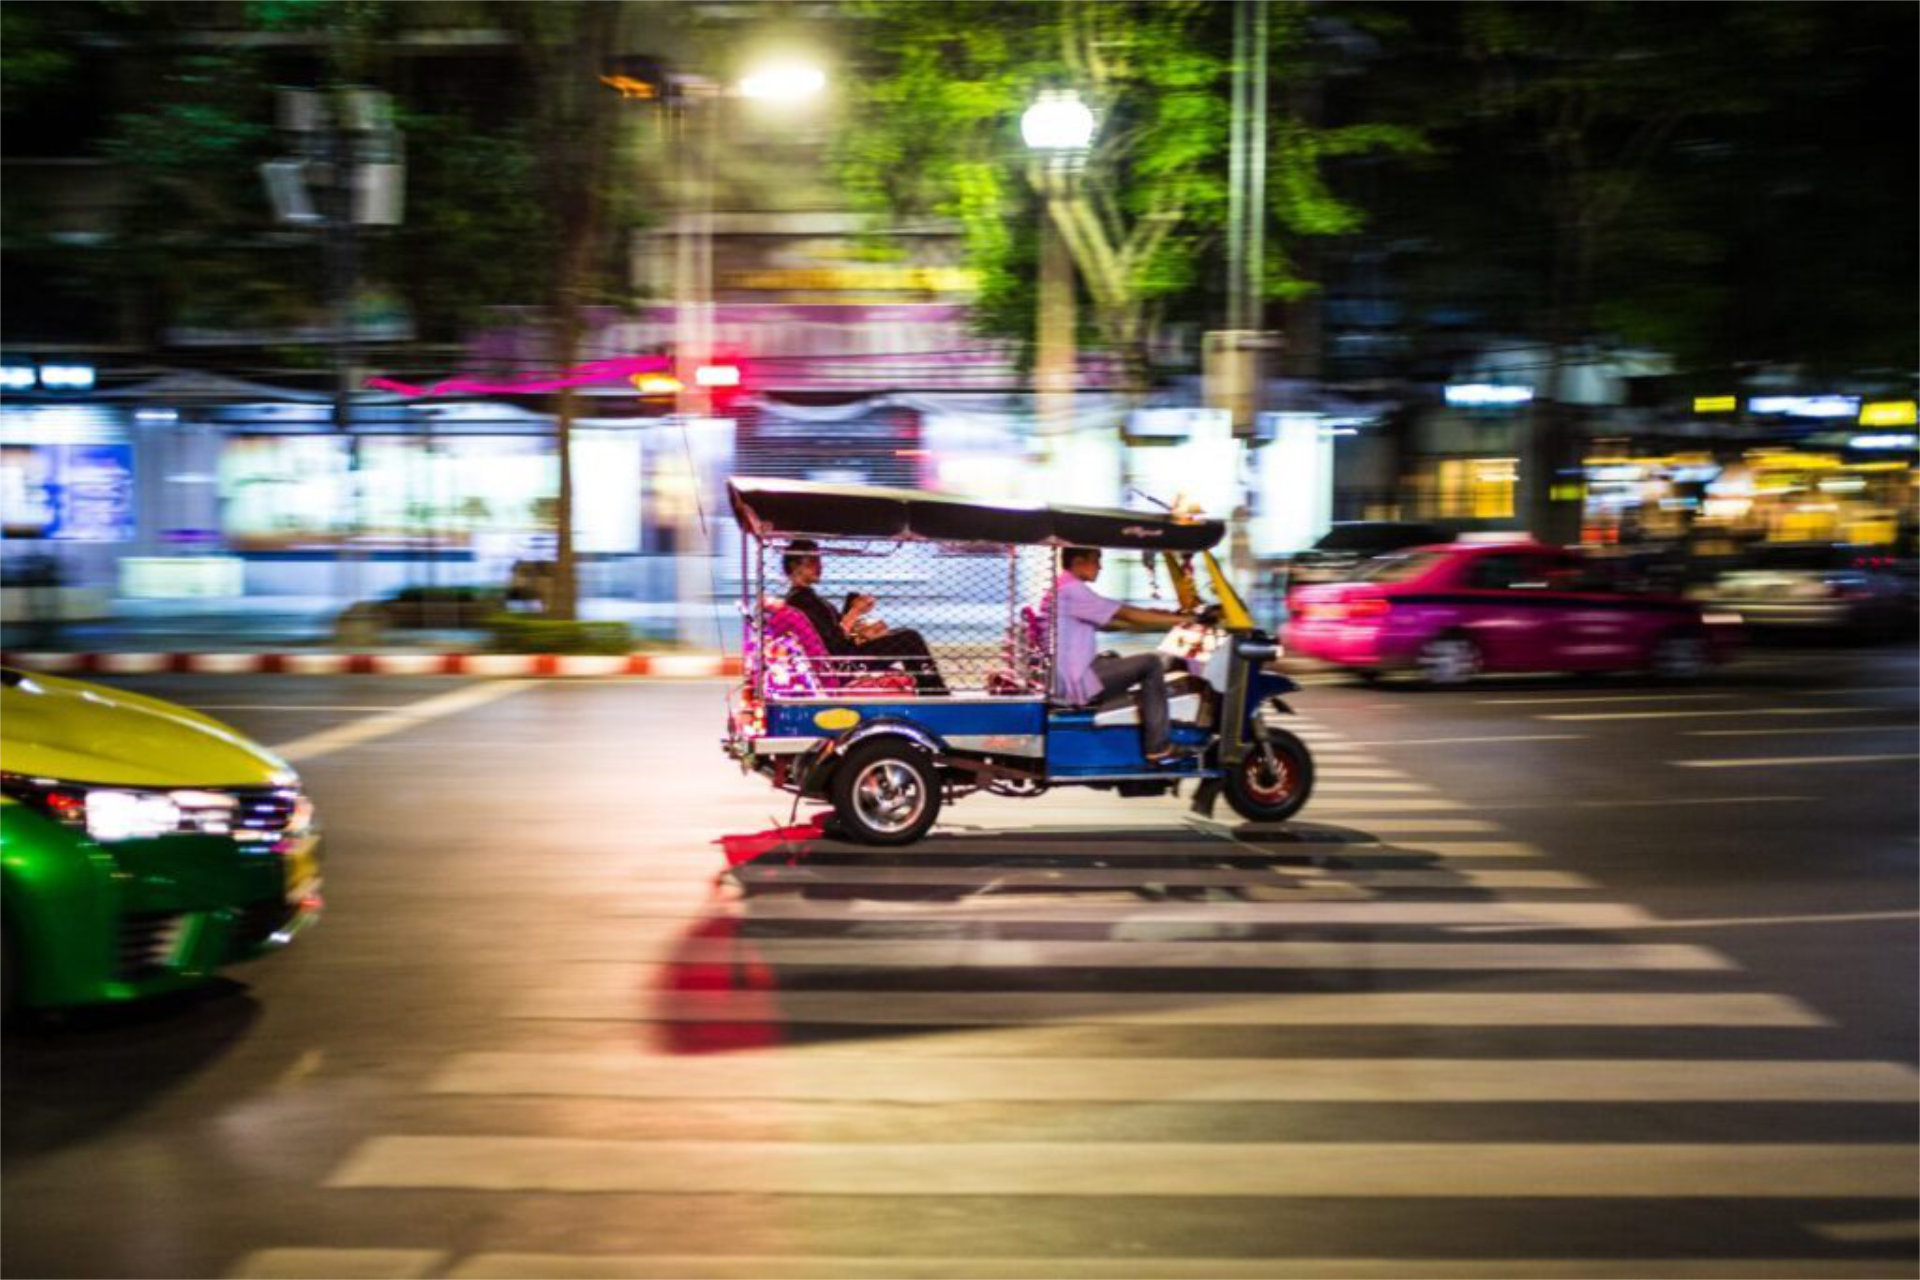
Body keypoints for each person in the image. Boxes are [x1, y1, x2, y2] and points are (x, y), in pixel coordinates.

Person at [1046, 546, 1194, 763]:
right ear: (1078, 562)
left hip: (1070, 671)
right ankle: (1158, 746)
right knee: (1151, 664)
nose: (1101, 567)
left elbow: (1112, 621)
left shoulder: (1063, 586)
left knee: (1115, 658)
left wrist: (1156, 617)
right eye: (1096, 560)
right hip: (1075, 678)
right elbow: (1127, 613)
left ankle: (1133, 722)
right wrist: (1182, 620)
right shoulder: (1074, 590)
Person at [782, 539, 949, 695]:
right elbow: (835, 642)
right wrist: (855, 612)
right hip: (843, 666)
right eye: (812, 561)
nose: (819, 566)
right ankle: (935, 692)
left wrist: (860, 630)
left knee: (903, 636)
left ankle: (931, 690)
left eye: (819, 560)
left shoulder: (801, 598)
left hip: (839, 661)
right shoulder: (804, 600)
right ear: (794, 566)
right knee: (909, 638)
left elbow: (830, 635)